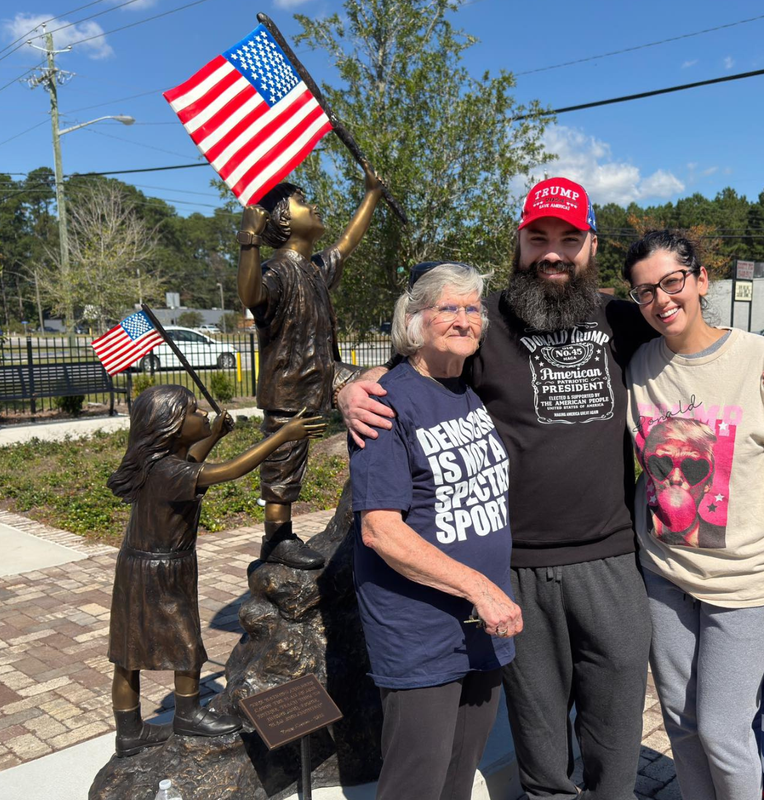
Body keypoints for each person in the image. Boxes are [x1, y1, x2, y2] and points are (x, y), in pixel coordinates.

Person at [340, 177, 655, 800]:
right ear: (519, 242)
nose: (553, 252)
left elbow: (698, 348)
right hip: (519, 570)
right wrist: (350, 385)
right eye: (538, 237)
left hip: (613, 561)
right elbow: (419, 367)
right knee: (542, 750)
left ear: (591, 245)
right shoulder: (488, 324)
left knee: (615, 743)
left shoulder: (624, 320)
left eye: (569, 238)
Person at [350, 261, 522, 800]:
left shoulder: (465, 391)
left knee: (458, 776)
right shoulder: (386, 404)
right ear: (414, 319)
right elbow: (381, 531)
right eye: (448, 307)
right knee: (416, 782)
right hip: (420, 631)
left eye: (472, 308)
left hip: (483, 628)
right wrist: (480, 588)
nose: (464, 318)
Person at [106, 385, 324, 758]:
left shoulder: (157, 464)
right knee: (187, 643)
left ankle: (129, 732)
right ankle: (188, 714)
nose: (203, 413)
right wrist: (281, 436)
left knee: (128, 655)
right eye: (193, 411)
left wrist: (214, 436)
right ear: (170, 426)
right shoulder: (169, 470)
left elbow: (191, 463)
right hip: (163, 570)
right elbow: (228, 472)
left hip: (138, 565)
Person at [624, 230, 764, 800]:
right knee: (681, 722)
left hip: (743, 584)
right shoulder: (638, 367)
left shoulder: (755, 359)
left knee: (726, 732)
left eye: (672, 282)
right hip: (664, 574)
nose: (661, 300)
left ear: (701, 280)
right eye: (645, 291)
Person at [237, 166, 383, 570]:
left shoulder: (315, 268)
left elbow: (349, 241)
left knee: (384, 384)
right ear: (283, 221)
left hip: (327, 372)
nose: (313, 205)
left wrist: (371, 193)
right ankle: (277, 539)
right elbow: (250, 294)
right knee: (284, 462)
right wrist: (248, 239)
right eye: (302, 201)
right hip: (289, 388)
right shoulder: (275, 271)